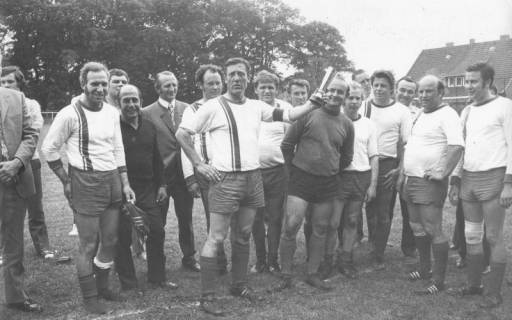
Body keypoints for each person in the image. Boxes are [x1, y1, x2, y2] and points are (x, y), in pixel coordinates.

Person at [176, 57, 319, 316]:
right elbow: (182, 134)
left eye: (241, 74)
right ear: (226, 78)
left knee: (243, 234)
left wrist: (311, 104)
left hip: (253, 178)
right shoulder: (213, 106)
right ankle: (207, 296)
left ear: (248, 77)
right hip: (225, 179)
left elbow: (288, 114)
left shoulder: (256, 106)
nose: (237, 78)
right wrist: (198, 164)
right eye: (232, 74)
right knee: (216, 237)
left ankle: (238, 285)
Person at [42, 61, 135, 314]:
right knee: (88, 244)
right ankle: (90, 296)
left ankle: (103, 286)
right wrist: (66, 179)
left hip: (112, 180)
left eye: (104, 83)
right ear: (83, 84)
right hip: (85, 181)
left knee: (111, 239)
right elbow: (48, 148)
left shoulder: (111, 112)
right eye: (95, 83)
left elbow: (117, 148)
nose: (100, 88)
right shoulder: (69, 113)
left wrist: (125, 182)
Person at [278, 74, 354, 291]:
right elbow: (287, 145)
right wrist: (294, 169)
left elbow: (346, 156)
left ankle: (313, 273)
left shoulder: (347, 124)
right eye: (332, 90)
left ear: (345, 96)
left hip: (328, 183)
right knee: (292, 225)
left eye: (340, 91)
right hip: (300, 179)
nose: (335, 94)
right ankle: (286, 274)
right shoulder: (307, 115)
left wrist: (329, 169)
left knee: (320, 228)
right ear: (325, 91)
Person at [448, 62, 512, 308]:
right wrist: (455, 180)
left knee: (493, 236)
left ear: (487, 82)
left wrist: (508, 184)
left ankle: (493, 293)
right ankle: (474, 285)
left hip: (494, 179)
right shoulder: (467, 111)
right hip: (469, 180)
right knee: (472, 237)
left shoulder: (505, 107)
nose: (468, 86)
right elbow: (462, 149)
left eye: (473, 81)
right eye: (466, 81)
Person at [402, 75, 464, 295]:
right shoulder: (419, 113)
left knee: (432, 229)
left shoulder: (448, 114)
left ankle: (439, 281)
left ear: (441, 93)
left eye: (429, 91)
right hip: (411, 178)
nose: (423, 95)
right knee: (416, 226)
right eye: (421, 91)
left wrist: (442, 171)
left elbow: (456, 146)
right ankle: (424, 269)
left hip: (429, 182)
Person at [142, 70, 200, 273]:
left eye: (174, 85)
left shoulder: (188, 109)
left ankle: (189, 257)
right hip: (161, 178)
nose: (172, 89)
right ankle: (157, 261)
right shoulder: (146, 112)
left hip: (185, 176)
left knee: (186, 219)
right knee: (158, 222)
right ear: (158, 88)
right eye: (167, 85)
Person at [114, 84, 170, 291]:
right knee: (122, 236)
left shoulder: (149, 126)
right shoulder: (114, 128)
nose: (131, 105)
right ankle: (128, 283)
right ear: (118, 103)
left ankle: (157, 277)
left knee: (156, 230)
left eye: (134, 100)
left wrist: (162, 185)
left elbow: (157, 159)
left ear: (140, 101)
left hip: (147, 189)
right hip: (122, 190)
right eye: (126, 100)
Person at [320, 82, 378, 279]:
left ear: (362, 100)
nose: (353, 101)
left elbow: (373, 156)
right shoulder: (335, 120)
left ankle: (346, 259)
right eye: (350, 97)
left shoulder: (369, 125)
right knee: (333, 222)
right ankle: (327, 260)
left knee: (352, 220)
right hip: (339, 177)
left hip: (360, 177)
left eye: (357, 98)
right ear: (344, 99)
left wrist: (372, 184)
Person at [0, 53, 42, 313]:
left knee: (13, 242)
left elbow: (31, 134)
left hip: (12, 180)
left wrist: (16, 162)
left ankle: (15, 296)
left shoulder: (18, 98)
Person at [0, 66, 55, 260]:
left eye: (10, 81)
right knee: (4, 210)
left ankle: (43, 245)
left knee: (35, 206)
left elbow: (33, 131)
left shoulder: (30, 104)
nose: (6, 85)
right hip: (3, 166)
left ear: (19, 83)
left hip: (29, 162)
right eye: (3, 82)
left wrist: (17, 160)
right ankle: (4, 249)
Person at [181, 64, 228, 273]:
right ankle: (219, 263)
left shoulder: (229, 105)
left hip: (231, 170)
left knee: (234, 219)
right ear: (200, 85)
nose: (215, 87)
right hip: (207, 172)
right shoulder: (192, 110)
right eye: (210, 83)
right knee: (214, 218)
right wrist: (191, 176)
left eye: (218, 83)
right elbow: (184, 144)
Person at [363, 70, 412, 270]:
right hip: (361, 162)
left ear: (391, 89)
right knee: (365, 208)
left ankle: (378, 252)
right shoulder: (363, 105)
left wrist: (400, 169)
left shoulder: (402, 111)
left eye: (384, 85)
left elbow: (407, 143)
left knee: (383, 211)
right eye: (376, 85)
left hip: (387, 164)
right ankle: (363, 245)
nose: (379, 89)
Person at [251, 70, 292, 273]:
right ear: (256, 89)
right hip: (254, 173)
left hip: (277, 172)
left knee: (276, 217)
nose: (267, 90)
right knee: (256, 218)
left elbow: (290, 142)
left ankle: (273, 259)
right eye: (263, 87)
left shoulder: (286, 109)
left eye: (271, 87)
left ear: (277, 89)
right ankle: (259, 260)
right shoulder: (249, 108)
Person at [393, 76, 419, 261]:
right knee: (381, 208)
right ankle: (375, 245)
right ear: (396, 89)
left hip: (408, 164)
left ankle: (409, 246)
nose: (406, 94)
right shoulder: (385, 108)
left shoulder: (418, 113)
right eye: (402, 89)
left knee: (408, 206)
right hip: (386, 161)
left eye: (410, 91)